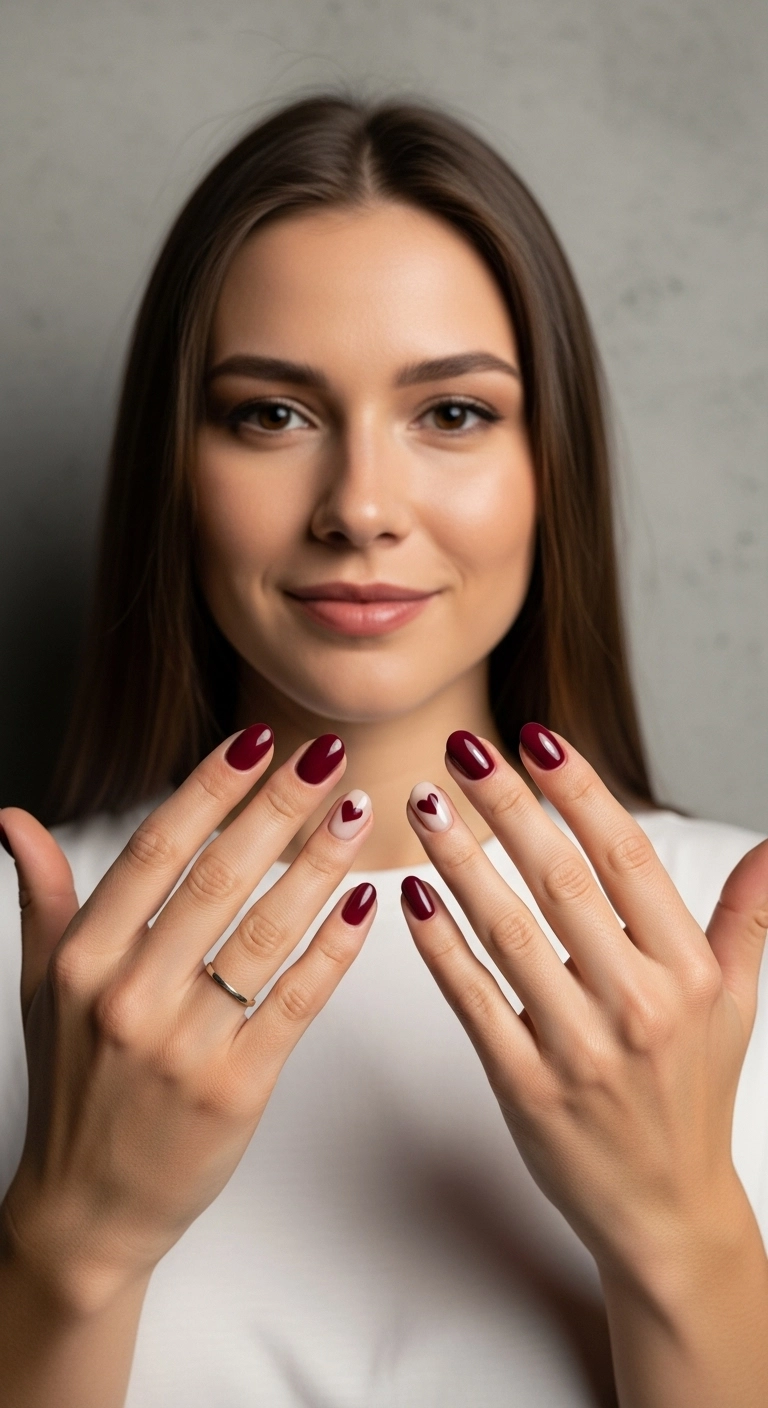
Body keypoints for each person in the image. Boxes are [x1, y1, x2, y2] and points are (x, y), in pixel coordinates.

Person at [0, 93, 766, 1408]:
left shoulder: (733, 954)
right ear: (172, 467)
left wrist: (687, 1245)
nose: (360, 506)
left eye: (453, 414)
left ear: (551, 465)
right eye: (270, 415)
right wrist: (66, 1246)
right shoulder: (27, 965)